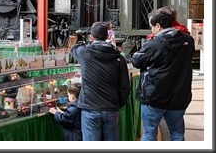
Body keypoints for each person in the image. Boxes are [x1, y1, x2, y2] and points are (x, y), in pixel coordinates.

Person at [131, 9, 195, 141]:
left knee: (149, 133)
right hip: (179, 97)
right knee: (177, 133)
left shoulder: (154, 44)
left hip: (155, 97)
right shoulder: (188, 41)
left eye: (152, 27)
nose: (152, 30)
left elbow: (137, 61)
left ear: (158, 26)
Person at [70, 22, 130, 141]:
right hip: (111, 107)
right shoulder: (119, 58)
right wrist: (118, 104)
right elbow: (125, 86)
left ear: (91, 37)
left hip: (90, 108)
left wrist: (84, 41)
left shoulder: (85, 53)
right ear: (108, 37)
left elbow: (73, 48)